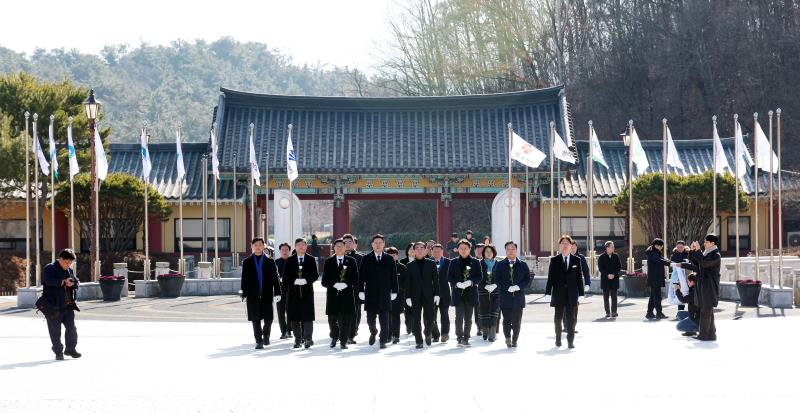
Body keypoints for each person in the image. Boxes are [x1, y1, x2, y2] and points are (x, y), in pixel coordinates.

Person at [675, 235, 721, 341]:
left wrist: (699, 250)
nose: (704, 243)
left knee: (705, 311)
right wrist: (692, 251)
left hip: (709, 288)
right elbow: (696, 263)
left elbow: (704, 263)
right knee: (708, 312)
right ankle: (711, 335)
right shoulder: (706, 254)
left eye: (706, 242)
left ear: (712, 243)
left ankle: (703, 335)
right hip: (703, 287)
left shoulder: (715, 255)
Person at [358, 234, 398, 349]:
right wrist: (361, 290)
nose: (378, 245)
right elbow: (361, 276)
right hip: (370, 293)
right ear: (372, 244)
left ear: (384, 244)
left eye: (380, 242)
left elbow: (393, 276)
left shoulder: (389, 259)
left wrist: (394, 291)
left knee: (384, 319)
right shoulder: (366, 258)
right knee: (370, 319)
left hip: (385, 294)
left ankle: (383, 340)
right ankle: (374, 331)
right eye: (376, 243)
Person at [240, 238, 282, 349]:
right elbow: (244, 279)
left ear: (264, 246)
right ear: (252, 246)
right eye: (255, 245)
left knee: (268, 318)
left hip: (267, 294)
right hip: (252, 294)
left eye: (260, 245)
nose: (258, 247)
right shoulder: (247, 261)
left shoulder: (270, 261)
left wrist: (278, 292)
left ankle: (266, 335)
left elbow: (275, 278)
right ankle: (258, 341)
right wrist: (243, 293)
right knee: (255, 318)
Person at [545, 235, 584, 349]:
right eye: (563, 243)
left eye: (567, 243)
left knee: (571, 319)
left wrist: (581, 294)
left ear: (571, 246)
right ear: (560, 246)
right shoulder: (554, 260)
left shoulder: (576, 260)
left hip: (572, 294)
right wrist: (547, 292)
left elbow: (579, 279)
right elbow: (550, 278)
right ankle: (558, 338)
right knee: (558, 318)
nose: (565, 245)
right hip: (558, 294)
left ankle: (570, 341)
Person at [41, 249, 80, 360]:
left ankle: (70, 349)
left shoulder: (69, 270)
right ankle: (58, 352)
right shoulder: (50, 268)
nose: (68, 265)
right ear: (61, 259)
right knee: (55, 331)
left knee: (71, 328)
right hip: (53, 306)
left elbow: (75, 281)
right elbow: (49, 281)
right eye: (67, 262)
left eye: (70, 263)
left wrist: (75, 282)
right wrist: (63, 282)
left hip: (68, 305)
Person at [320, 238, 358, 349]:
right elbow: (324, 281)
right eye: (337, 246)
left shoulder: (351, 261)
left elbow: (355, 278)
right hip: (333, 295)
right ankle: (334, 337)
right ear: (334, 248)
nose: (339, 248)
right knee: (332, 319)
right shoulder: (329, 261)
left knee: (347, 319)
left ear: (345, 247)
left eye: (342, 245)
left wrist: (346, 284)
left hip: (347, 295)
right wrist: (334, 284)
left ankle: (343, 341)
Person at [403, 241, 440, 348]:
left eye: (421, 248)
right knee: (416, 320)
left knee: (431, 318)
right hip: (415, 297)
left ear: (425, 250)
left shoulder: (431, 263)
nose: (419, 250)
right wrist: (408, 297)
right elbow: (407, 283)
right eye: (417, 248)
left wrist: (437, 294)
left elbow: (436, 280)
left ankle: (427, 333)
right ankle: (418, 341)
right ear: (414, 251)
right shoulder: (409, 265)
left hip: (429, 295)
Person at [447, 239, 483, 347]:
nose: (463, 250)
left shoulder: (476, 262)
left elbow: (479, 276)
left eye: (465, 248)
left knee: (468, 317)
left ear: (469, 249)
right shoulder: (453, 262)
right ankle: (459, 337)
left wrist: (471, 282)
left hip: (470, 293)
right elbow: (449, 276)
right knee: (459, 316)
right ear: (457, 249)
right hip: (458, 293)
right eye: (461, 248)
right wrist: (457, 283)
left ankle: (466, 338)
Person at [494, 242, 531, 347]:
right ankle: (507, 338)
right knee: (506, 319)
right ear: (505, 251)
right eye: (508, 249)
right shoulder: (500, 264)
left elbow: (528, 279)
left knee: (516, 321)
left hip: (518, 298)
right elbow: (497, 279)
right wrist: (507, 287)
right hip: (505, 297)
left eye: (513, 249)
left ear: (516, 250)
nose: (511, 251)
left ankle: (515, 339)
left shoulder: (522, 264)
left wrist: (519, 286)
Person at [284, 237, 319, 349]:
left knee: (307, 316)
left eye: (303, 244)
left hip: (307, 292)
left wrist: (306, 280)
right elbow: (286, 277)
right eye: (298, 244)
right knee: (294, 317)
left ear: (306, 246)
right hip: (293, 293)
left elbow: (315, 275)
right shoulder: (290, 260)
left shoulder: (311, 259)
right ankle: (298, 339)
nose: (300, 246)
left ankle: (308, 338)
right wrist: (294, 280)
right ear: (295, 247)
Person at [343, 233, 363, 344]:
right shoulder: (337, 257)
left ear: (354, 243)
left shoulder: (360, 257)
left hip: (356, 289)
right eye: (345, 242)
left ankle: (352, 333)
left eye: (350, 242)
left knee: (356, 311)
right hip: (341, 290)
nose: (347, 244)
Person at [567, 241, 591, 333]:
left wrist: (587, 283)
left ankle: (572, 326)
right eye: (571, 247)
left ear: (576, 248)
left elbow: (586, 271)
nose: (573, 249)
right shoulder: (564, 257)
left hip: (576, 286)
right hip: (565, 286)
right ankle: (566, 325)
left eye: (574, 247)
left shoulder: (581, 258)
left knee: (574, 307)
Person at [645, 238, 671, 320]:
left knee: (653, 296)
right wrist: (669, 263)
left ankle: (649, 313)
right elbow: (659, 260)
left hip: (655, 277)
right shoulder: (652, 253)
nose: (662, 247)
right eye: (661, 246)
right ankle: (659, 313)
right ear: (656, 245)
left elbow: (662, 259)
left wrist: (669, 262)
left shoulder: (654, 251)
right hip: (655, 278)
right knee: (657, 296)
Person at [478, 244, 500, 341]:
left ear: (494, 253)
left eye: (490, 251)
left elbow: (502, 277)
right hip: (483, 291)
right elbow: (477, 277)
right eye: (486, 251)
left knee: (494, 311)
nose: (489, 253)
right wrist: (485, 286)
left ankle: (492, 334)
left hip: (496, 291)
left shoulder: (499, 264)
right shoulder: (479, 263)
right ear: (483, 253)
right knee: (484, 311)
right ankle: (485, 331)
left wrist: (495, 285)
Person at [430, 244, 452, 342]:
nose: (436, 253)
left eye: (438, 251)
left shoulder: (448, 262)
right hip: (432, 293)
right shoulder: (428, 262)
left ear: (442, 252)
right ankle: (435, 334)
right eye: (434, 251)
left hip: (445, 293)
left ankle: (445, 333)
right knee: (432, 316)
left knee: (444, 314)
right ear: (431, 252)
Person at [386, 247, 407, 344]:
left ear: (397, 255)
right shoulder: (383, 266)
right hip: (386, 295)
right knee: (386, 316)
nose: (393, 256)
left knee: (396, 316)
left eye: (394, 254)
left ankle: (396, 335)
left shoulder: (402, 267)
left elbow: (405, 282)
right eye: (390, 255)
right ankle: (388, 335)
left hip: (398, 296)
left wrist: (396, 290)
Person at [597, 241, 622, 318]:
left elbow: (619, 267)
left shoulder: (616, 256)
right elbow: (601, 268)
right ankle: (607, 312)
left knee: (614, 296)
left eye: (613, 246)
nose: (613, 248)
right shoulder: (601, 257)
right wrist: (607, 274)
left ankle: (614, 312)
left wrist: (613, 274)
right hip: (605, 279)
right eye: (612, 247)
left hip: (614, 279)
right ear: (607, 248)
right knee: (606, 297)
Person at [274, 242, 292, 339]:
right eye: (282, 250)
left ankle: (289, 330)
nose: (284, 252)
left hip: (291, 290)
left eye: (286, 250)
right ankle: (283, 331)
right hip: (279, 290)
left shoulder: (293, 261)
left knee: (290, 311)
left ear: (289, 251)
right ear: (280, 251)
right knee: (280, 312)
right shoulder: (275, 262)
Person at [668, 241, 690, 313]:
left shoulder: (688, 253)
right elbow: (673, 263)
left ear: (684, 247)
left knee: (689, 293)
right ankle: (681, 311)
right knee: (679, 292)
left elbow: (689, 262)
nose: (679, 248)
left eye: (681, 247)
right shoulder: (674, 255)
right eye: (678, 247)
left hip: (687, 276)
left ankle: (691, 311)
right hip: (677, 277)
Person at [472, 242, 485, 335]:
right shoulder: (471, 261)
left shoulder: (489, 261)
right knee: (477, 309)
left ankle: (488, 326)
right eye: (478, 250)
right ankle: (479, 327)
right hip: (475, 290)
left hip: (487, 289)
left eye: (482, 250)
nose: (480, 252)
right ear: (474, 251)